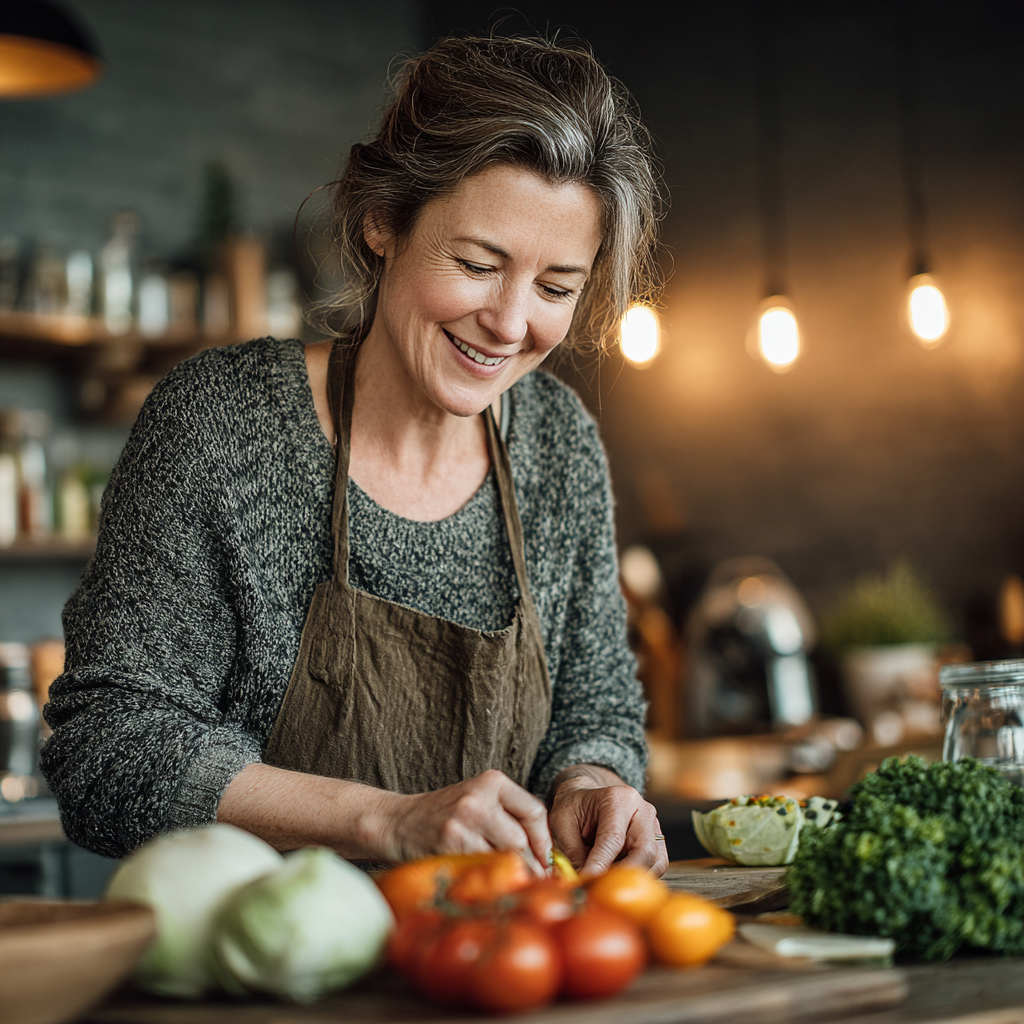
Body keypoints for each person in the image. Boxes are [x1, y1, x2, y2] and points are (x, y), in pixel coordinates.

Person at [41, 34, 668, 878]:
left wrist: (592, 780)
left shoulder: (557, 443)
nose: (512, 323)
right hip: (255, 979)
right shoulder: (223, 425)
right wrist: (388, 822)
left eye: (556, 287)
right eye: (478, 265)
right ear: (381, 222)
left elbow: (595, 708)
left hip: (491, 975)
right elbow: (107, 748)